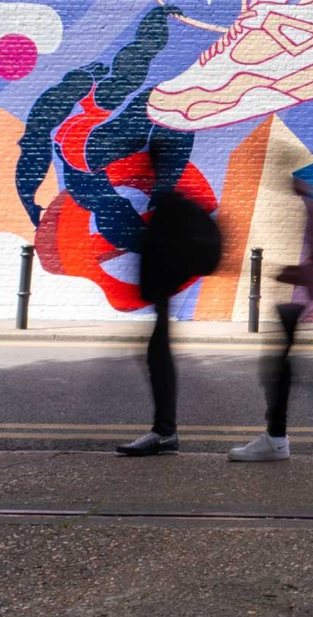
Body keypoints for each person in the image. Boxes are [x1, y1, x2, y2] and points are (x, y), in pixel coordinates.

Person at [230, 177, 313, 462]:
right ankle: (275, 437)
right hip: (297, 298)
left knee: (277, 369)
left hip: (298, 299)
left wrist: (288, 275)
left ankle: (276, 439)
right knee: (277, 367)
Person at [116, 148, 223, 457]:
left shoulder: (169, 203)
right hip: (162, 297)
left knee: (158, 358)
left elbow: (163, 248)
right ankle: (165, 431)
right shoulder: (171, 200)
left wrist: (159, 285)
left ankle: (165, 432)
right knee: (156, 355)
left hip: (162, 298)